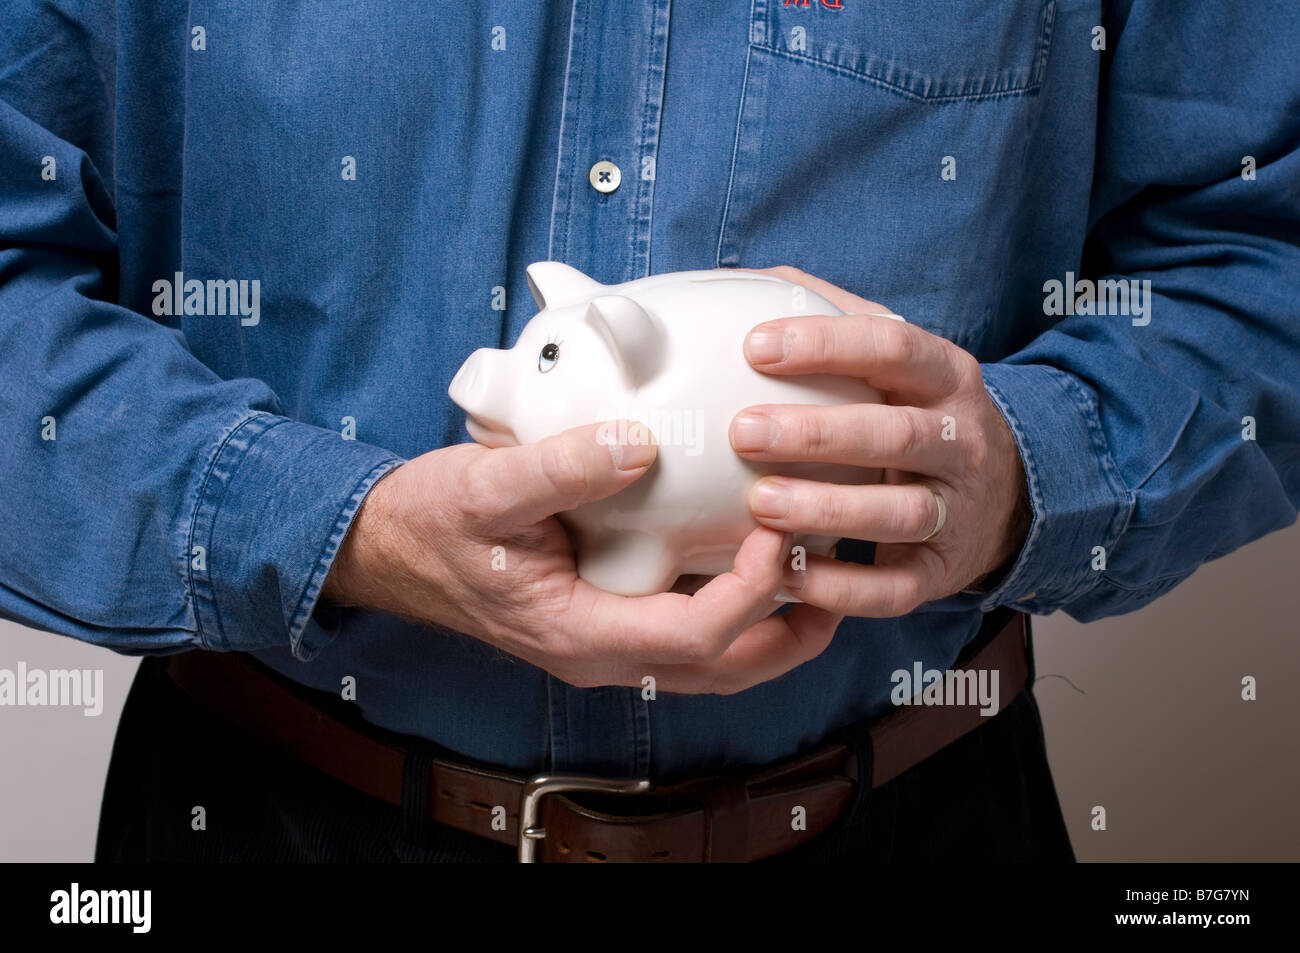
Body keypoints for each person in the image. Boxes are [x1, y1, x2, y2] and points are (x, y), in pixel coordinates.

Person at [1, 2, 1296, 863]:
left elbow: (1265, 250)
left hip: (912, 815)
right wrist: (334, 530)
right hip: (269, 814)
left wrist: (1033, 466)